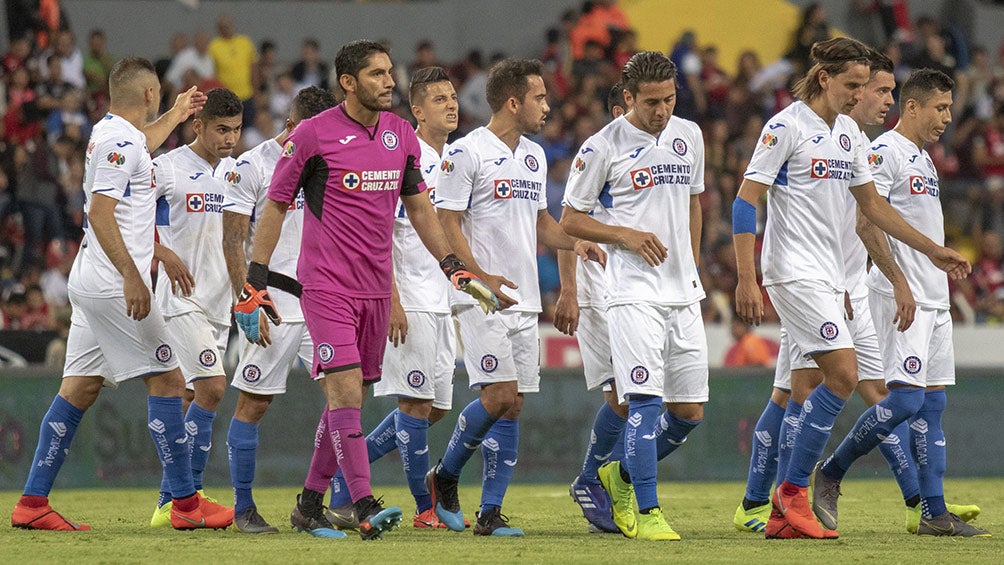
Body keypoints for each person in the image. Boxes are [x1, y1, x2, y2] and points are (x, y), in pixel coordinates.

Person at [232, 40, 497, 541]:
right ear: (348, 82)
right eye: (376, 74)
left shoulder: (401, 135)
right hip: (326, 287)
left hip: (376, 290)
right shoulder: (312, 135)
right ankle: (363, 503)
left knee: (347, 400)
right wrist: (255, 279)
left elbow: (420, 208)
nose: (389, 82)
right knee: (346, 391)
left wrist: (453, 266)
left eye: (389, 73)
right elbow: (274, 206)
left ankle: (309, 505)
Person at [732, 37, 970, 540]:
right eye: (855, 85)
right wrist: (745, 276)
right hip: (792, 271)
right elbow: (745, 200)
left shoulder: (851, 137)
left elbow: (876, 211)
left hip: (837, 281)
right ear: (825, 79)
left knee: (821, 384)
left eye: (868, 85)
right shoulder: (786, 126)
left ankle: (781, 507)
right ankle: (793, 494)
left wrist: (932, 250)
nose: (862, 95)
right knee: (842, 375)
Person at [9, 57, 231, 531]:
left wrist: (174, 115)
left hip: (89, 280)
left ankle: (31, 503)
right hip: (114, 283)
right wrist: (134, 274)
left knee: (79, 387)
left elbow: (140, 148)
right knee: (171, 383)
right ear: (148, 94)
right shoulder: (117, 140)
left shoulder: (113, 133)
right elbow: (101, 213)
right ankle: (186, 508)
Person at [810, 69, 991, 538]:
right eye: (941, 108)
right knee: (906, 399)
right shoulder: (884, 153)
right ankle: (832, 470)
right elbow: (867, 223)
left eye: (950, 109)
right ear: (913, 107)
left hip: (934, 299)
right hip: (900, 295)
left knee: (932, 405)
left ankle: (933, 512)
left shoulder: (924, 159)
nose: (947, 118)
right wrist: (901, 282)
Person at [429, 57, 604, 537]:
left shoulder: (534, 155)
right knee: (499, 394)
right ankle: (444, 476)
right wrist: (477, 275)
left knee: (514, 403)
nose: (548, 106)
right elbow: (447, 221)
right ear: (513, 101)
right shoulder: (466, 153)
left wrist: (578, 242)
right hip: (480, 294)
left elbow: (541, 221)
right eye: (540, 97)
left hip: (523, 298)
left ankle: (490, 513)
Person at [561, 51, 708, 541]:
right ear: (627, 98)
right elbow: (571, 220)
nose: (662, 111)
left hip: (681, 291)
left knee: (688, 413)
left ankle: (615, 474)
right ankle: (648, 511)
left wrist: (691, 261)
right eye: (651, 102)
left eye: (668, 99)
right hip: (631, 292)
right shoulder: (602, 147)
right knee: (643, 400)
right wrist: (623, 235)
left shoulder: (689, 136)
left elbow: (693, 202)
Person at [325, 66, 462, 531]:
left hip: (439, 300)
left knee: (435, 407)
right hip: (408, 299)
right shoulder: (405, 155)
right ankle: (424, 507)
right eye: (439, 99)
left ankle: (343, 486)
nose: (452, 104)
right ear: (418, 112)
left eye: (453, 96)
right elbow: (381, 233)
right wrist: (393, 300)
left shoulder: (448, 160)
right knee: (415, 407)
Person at [220, 86, 336, 535]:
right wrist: (245, 297)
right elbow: (232, 240)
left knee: (344, 398)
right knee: (254, 402)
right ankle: (244, 508)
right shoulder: (251, 166)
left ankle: (314, 504)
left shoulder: (329, 161)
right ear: (294, 126)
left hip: (323, 298)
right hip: (274, 301)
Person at [146, 87, 243, 527]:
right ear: (197, 125)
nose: (230, 139)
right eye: (222, 129)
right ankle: (191, 496)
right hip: (179, 298)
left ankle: (171, 500)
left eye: (237, 130)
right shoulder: (166, 168)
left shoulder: (236, 173)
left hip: (220, 303)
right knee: (212, 387)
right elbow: (119, 215)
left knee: (192, 394)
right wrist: (160, 252)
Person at [560, 81, 630, 535]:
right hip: (598, 289)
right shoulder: (599, 152)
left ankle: (601, 480)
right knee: (624, 396)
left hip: (638, 288)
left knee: (642, 398)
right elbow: (567, 223)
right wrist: (568, 291)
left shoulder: (664, 152)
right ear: (620, 107)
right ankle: (592, 478)